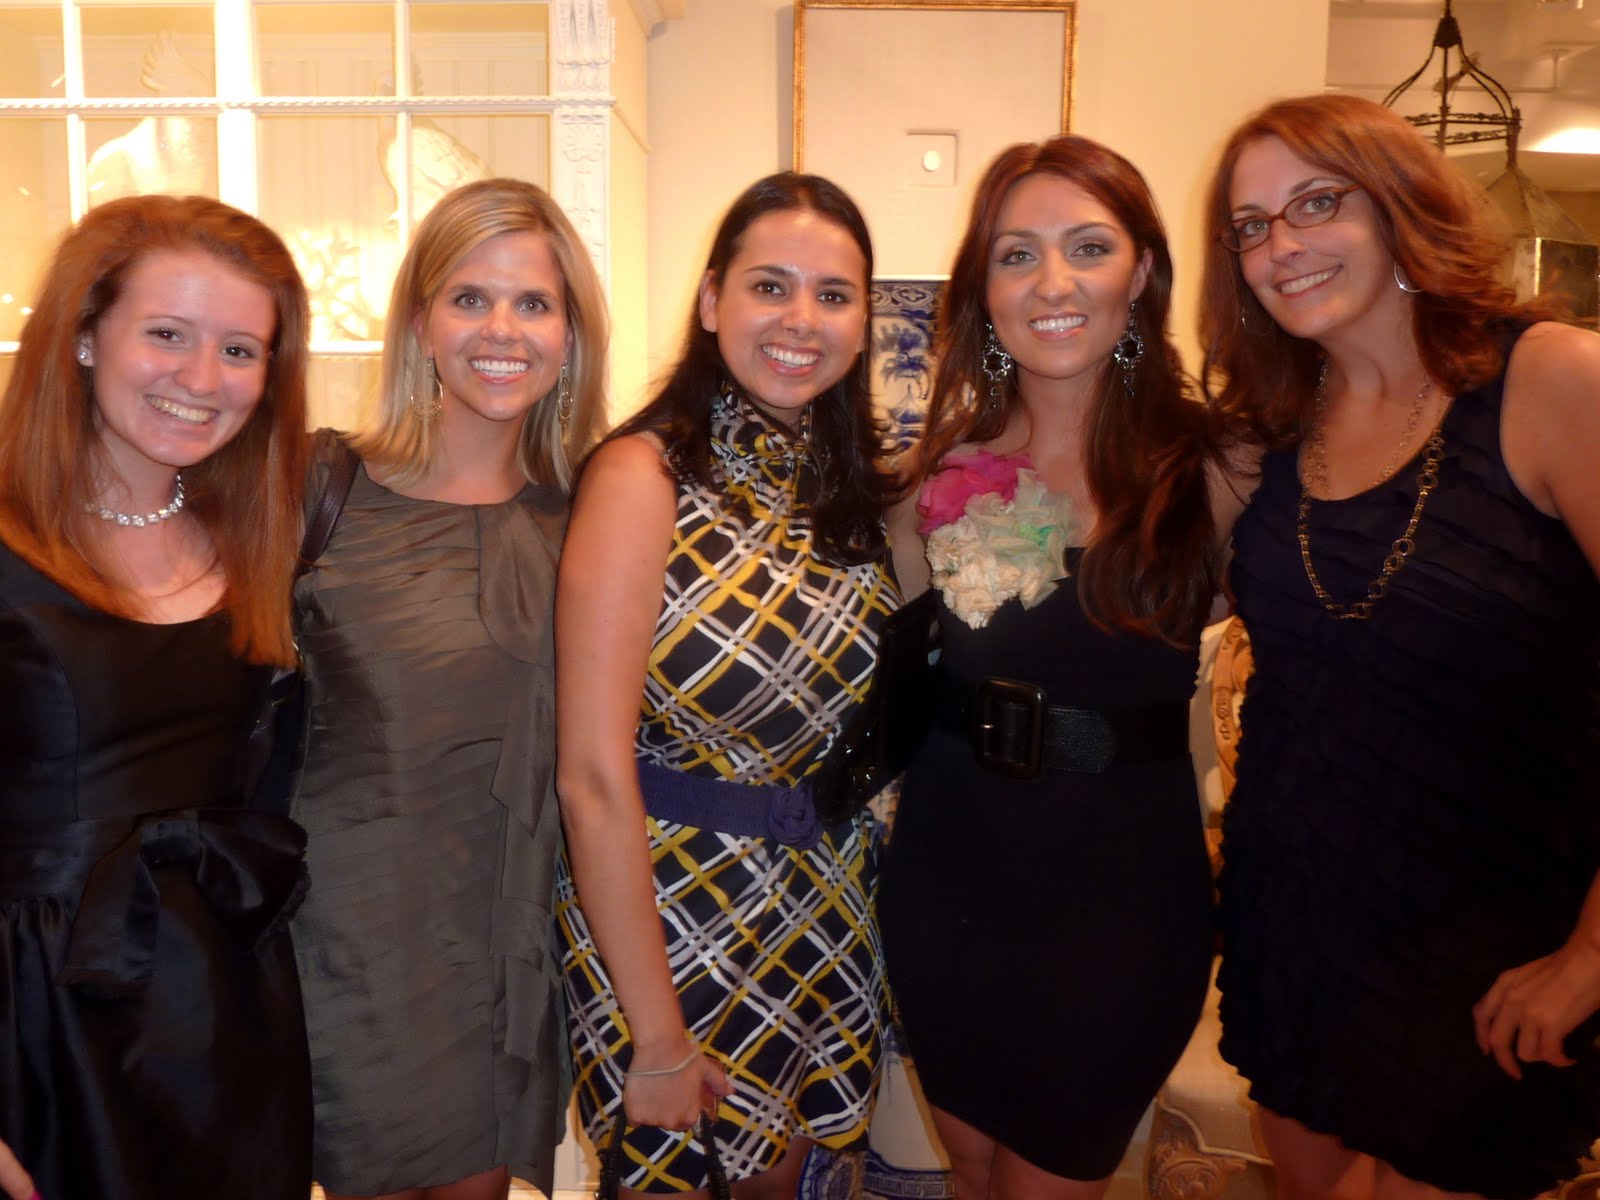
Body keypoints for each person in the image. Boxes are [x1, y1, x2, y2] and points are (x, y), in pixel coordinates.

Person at [1199, 92, 1600, 1200]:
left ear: (1398, 206)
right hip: (1296, 926)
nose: (1281, 245)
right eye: (1251, 226)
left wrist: (1591, 957)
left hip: (1494, 945)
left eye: (1316, 203)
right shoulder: (1271, 428)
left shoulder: (1552, 380)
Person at [877, 135, 1235, 1200]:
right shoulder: (934, 475)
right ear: (983, 289)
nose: (1052, 283)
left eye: (1087, 247)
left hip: (1119, 900)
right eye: (1016, 254)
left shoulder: (1220, 467)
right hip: (948, 876)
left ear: (1142, 270)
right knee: (972, 1167)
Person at [554, 172, 898, 1197]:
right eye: (769, 286)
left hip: (822, 907)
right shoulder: (642, 475)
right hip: (667, 918)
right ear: (712, 301)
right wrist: (655, 1036)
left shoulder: (851, 488)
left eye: (833, 295)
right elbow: (590, 775)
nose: (802, 320)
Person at [290, 177, 608, 1200]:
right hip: (346, 947)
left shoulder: (596, 516)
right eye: (470, 298)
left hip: (507, 946)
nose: (501, 330)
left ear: (570, 334)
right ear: (421, 322)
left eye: (533, 303)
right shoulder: (318, 486)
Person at [0, 194, 313, 1199]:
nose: (202, 379)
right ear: (86, 336)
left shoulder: (262, 541)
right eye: (168, 334)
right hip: (35, 1022)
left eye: (239, 350)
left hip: (223, 1013)